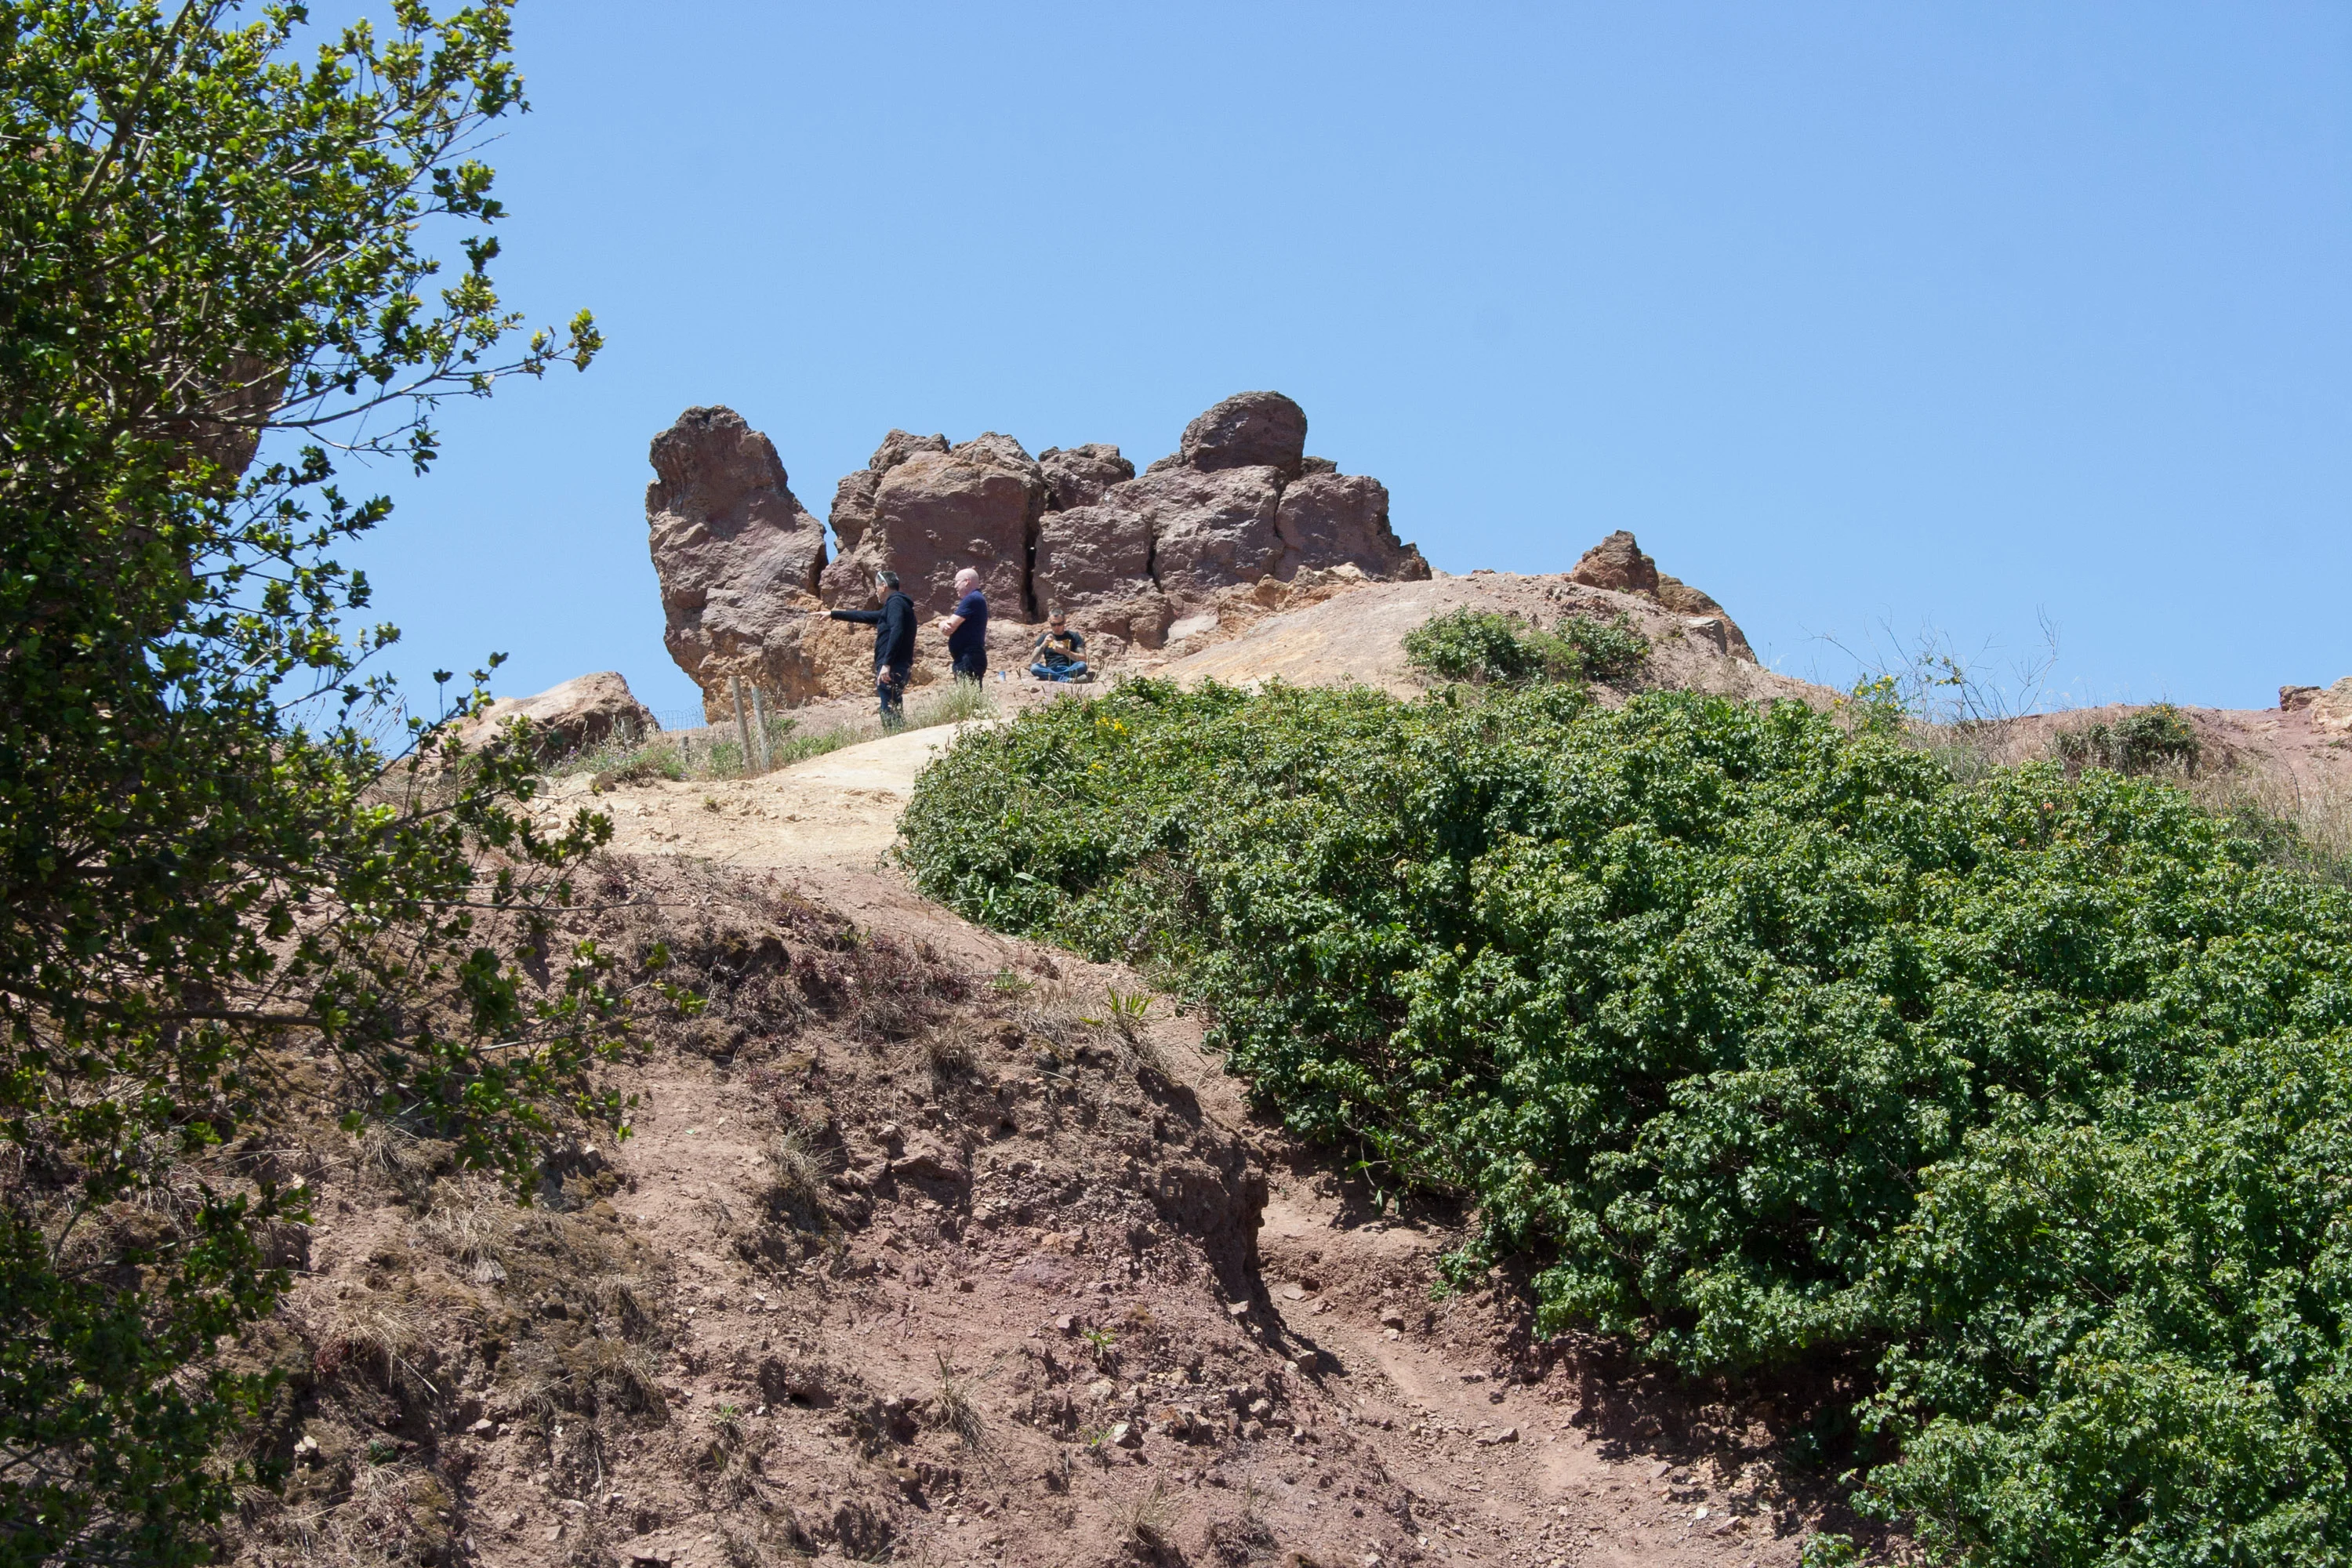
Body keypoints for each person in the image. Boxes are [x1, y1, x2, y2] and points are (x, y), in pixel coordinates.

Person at [829, 568, 916, 729]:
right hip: (898, 664)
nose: (876, 593)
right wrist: (833, 614)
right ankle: (896, 737)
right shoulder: (895, 606)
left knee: (888, 709)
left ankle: (894, 741)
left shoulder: (896, 602)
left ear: (884, 586)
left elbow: (897, 630)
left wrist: (887, 664)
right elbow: (864, 616)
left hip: (893, 665)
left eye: (876, 588)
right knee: (892, 706)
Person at [935, 567, 988, 681]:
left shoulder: (972, 598)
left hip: (968, 657)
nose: (955, 586)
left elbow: (949, 627)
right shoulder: (976, 598)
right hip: (968, 657)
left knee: (967, 695)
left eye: (957, 582)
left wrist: (942, 623)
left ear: (967, 582)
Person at [1029, 612, 1089, 681]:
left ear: (1064, 622)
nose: (1057, 627)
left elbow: (1083, 659)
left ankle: (1054, 677)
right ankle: (1068, 680)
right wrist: (1044, 644)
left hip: (1069, 668)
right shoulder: (1044, 637)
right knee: (1034, 668)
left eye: (1060, 624)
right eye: (1053, 624)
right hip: (1051, 669)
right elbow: (1033, 661)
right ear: (1049, 622)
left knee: (1082, 665)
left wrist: (1066, 652)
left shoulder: (1074, 636)